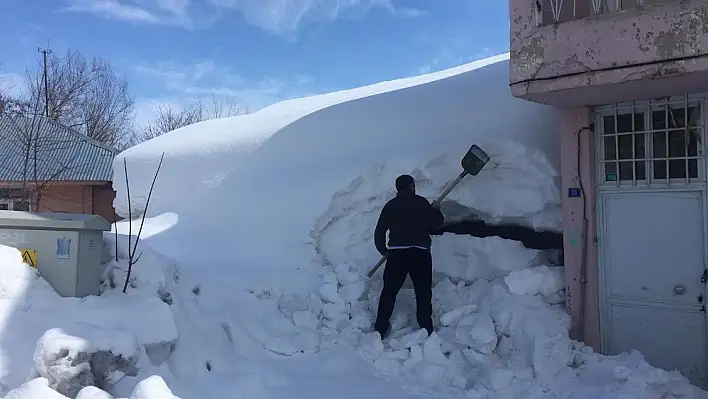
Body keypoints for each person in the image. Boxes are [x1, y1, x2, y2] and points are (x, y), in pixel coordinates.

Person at [373, 174, 445, 338]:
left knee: (389, 292)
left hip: (397, 253)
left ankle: (380, 327)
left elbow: (379, 232)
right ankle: (426, 327)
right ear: (412, 186)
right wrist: (436, 211)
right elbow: (435, 226)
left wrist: (384, 250)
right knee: (423, 291)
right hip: (420, 253)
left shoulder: (390, 206)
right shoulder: (421, 203)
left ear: (398, 188)